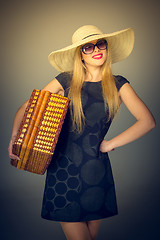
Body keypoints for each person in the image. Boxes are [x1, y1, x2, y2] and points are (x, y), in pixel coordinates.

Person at [8, 25, 156, 240]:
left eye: (100, 43)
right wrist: (14, 137)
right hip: (62, 171)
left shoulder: (118, 84)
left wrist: (110, 143)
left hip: (96, 170)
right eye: (88, 46)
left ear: (107, 48)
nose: (96, 49)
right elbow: (26, 107)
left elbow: (148, 122)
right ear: (80, 55)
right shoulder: (65, 80)